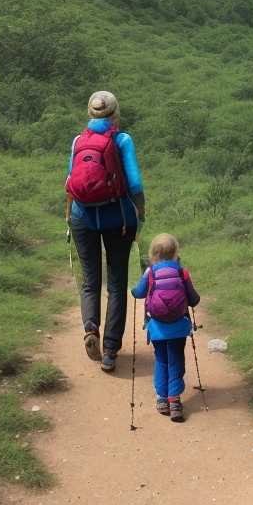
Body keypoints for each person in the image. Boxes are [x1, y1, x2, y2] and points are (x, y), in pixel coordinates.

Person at [66, 90, 145, 372]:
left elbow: (69, 180)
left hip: (82, 216)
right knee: (116, 282)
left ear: (90, 113)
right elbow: (134, 184)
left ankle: (90, 329)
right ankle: (110, 350)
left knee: (90, 279)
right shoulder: (122, 139)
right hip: (118, 218)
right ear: (115, 113)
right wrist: (141, 211)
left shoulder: (78, 141)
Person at [131, 233, 200, 423]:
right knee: (176, 360)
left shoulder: (150, 272)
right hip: (178, 327)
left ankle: (162, 399)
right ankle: (175, 400)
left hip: (158, 328)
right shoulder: (181, 272)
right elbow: (194, 299)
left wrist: (132, 290)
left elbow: (138, 293)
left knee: (161, 360)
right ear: (176, 252)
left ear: (152, 254)